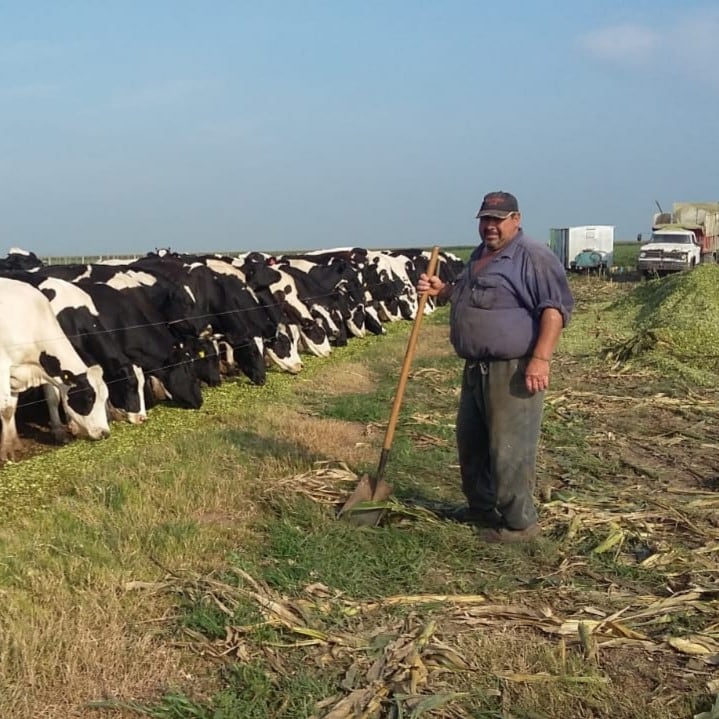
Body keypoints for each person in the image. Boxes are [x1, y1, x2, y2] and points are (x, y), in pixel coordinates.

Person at [417, 191, 574, 543]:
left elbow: (554, 310)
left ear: (516, 219)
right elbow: (469, 296)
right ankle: (481, 508)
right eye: (485, 218)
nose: (489, 226)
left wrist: (540, 359)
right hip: (476, 368)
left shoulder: (533, 257)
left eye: (497, 219)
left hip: (512, 369)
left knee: (509, 448)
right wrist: (442, 290)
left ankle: (519, 525)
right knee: (471, 442)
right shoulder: (481, 256)